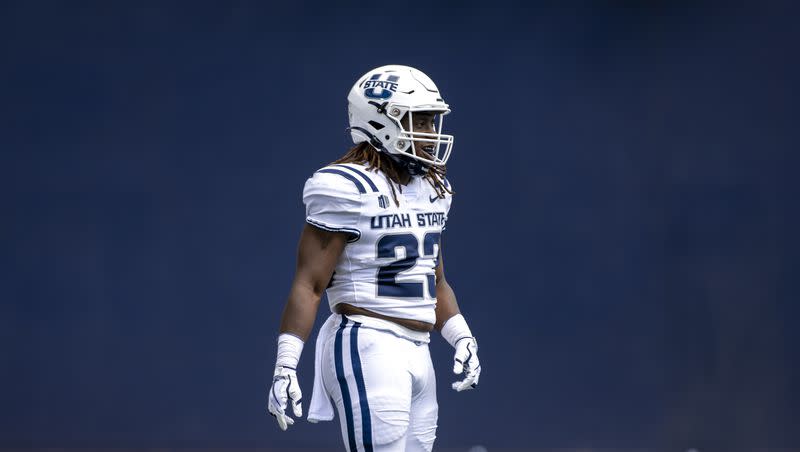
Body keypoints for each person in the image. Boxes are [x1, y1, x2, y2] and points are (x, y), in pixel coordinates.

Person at [267, 64, 481, 452]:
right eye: (420, 121)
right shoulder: (344, 186)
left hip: (419, 349)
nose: (431, 134)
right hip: (367, 340)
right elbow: (309, 284)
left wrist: (460, 335)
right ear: (382, 121)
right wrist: (285, 365)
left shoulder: (432, 187)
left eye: (433, 122)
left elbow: (433, 278)